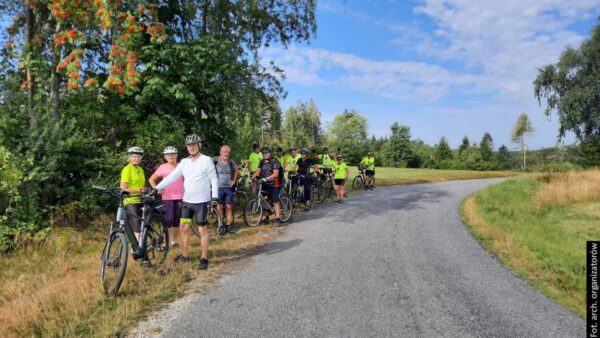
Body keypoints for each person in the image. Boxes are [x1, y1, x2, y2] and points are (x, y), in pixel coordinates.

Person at [155, 134, 218, 270]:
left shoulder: (206, 160)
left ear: (199, 145)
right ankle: (185, 255)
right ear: (187, 147)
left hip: (201, 202)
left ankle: (204, 257)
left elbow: (214, 179)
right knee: (183, 228)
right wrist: (157, 187)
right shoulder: (184, 162)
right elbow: (172, 177)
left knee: (202, 229)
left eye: (194, 145)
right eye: (189, 145)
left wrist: (215, 197)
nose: (191, 147)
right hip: (187, 201)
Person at [120, 146, 150, 267]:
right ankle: (137, 253)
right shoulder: (127, 170)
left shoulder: (140, 170)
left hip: (141, 199)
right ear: (129, 157)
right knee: (137, 227)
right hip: (131, 200)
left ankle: (142, 249)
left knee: (144, 226)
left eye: (138, 156)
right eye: (133, 156)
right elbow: (123, 188)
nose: (136, 158)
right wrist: (140, 189)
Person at [149, 146, 184, 248]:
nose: (171, 156)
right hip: (167, 196)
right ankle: (165, 241)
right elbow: (151, 179)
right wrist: (156, 189)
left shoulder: (182, 166)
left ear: (177, 155)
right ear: (165, 156)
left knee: (177, 220)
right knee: (168, 219)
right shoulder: (162, 167)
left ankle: (173, 240)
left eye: (173, 154)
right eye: (168, 155)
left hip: (181, 196)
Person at [252, 147, 284, 226]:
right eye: (264, 153)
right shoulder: (262, 161)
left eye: (267, 153)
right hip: (265, 183)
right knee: (264, 200)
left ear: (270, 153)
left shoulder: (275, 161)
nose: (265, 154)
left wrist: (266, 178)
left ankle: (277, 218)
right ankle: (266, 218)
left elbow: (276, 174)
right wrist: (252, 178)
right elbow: (258, 171)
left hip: (275, 183)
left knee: (275, 201)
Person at [213, 145, 239, 235]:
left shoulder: (230, 161)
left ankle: (228, 226)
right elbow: (207, 169)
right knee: (219, 207)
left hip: (228, 187)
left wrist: (234, 180)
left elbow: (236, 169)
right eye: (224, 151)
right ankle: (220, 226)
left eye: (228, 152)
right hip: (218, 188)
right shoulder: (215, 160)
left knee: (228, 206)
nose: (226, 153)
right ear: (220, 152)